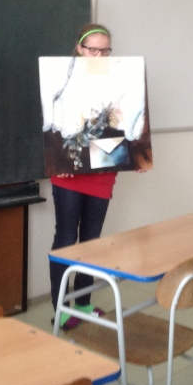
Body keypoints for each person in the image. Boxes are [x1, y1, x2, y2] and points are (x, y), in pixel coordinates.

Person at [48, 23, 134, 330]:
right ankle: (61, 308)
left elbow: (123, 125)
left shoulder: (118, 82)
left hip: (102, 171)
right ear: (80, 49)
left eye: (105, 50)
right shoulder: (60, 80)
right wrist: (58, 158)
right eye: (93, 50)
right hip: (68, 174)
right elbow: (51, 123)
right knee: (66, 238)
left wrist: (133, 154)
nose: (99, 55)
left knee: (91, 241)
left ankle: (83, 303)